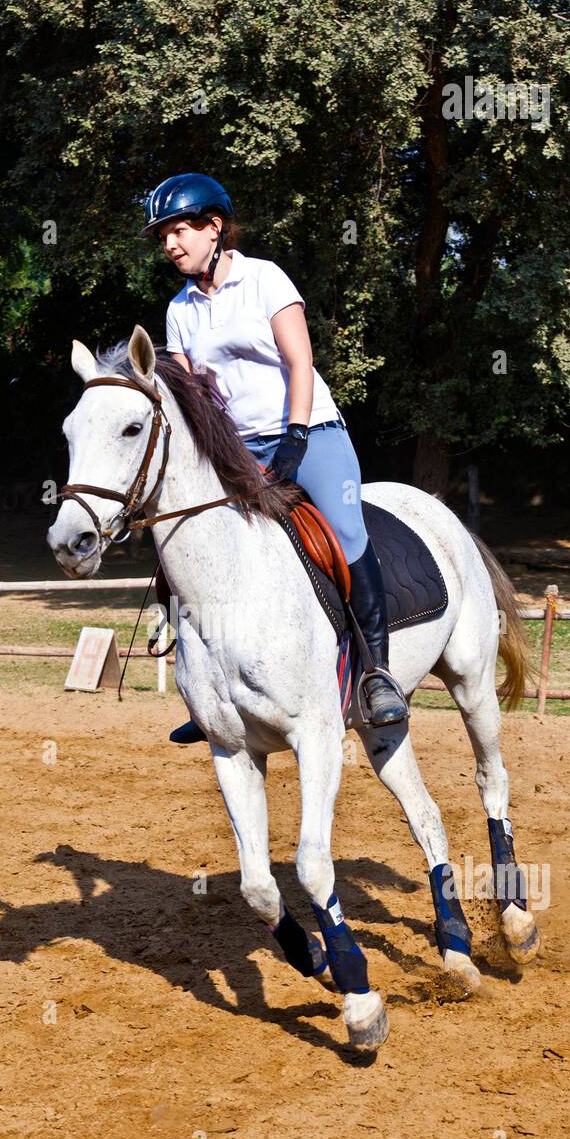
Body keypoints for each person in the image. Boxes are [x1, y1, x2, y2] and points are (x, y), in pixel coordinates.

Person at [140, 172, 408, 740]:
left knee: (345, 532)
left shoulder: (265, 279)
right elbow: (196, 398)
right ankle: (210, 690)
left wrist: (296, 436)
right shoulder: (179, 310)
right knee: (197, 541)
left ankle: (377, 673)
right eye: (163, 234)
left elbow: (298, 361)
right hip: (235, 448)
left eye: (179, 230)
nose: (170, 244)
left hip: (310, 431)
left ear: (214, 227)